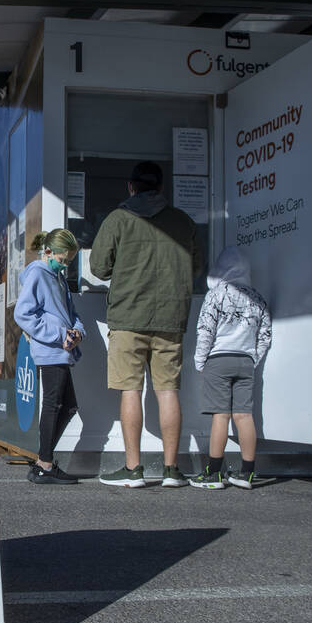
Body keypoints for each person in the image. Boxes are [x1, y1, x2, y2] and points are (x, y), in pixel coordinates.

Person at [90, 161, 200, 488]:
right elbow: (196, 268)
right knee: (168, 391)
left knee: (130, 390)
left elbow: (98, 267)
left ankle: (133, 469)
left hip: (127, 317)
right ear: (162, 188)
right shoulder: (183, 222)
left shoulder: (118, 219)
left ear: (131, 186)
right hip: (170, 317)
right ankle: (171, 470)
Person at [189, 246, 272, 490]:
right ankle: (246, 473)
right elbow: (265, 334)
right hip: (245, 361)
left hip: (219, 360)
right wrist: (253, 359)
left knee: (221, 417)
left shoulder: (216, 293)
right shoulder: (257, 297)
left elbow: (205, 330)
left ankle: (213, 473)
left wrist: (200, 361)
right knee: (245, 416)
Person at [13, 228, 86, 485]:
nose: (64, 265)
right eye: (62, 260)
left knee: (67, 406)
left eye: (68, 262)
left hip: (62, 349)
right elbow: (23, 314)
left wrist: (77, 332)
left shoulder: (58, 277)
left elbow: (71, 313)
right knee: (55, 404)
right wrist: (60, 334)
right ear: (48, 252)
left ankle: (43, 460)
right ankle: (44, 463)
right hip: (51, 349)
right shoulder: (38, 273)